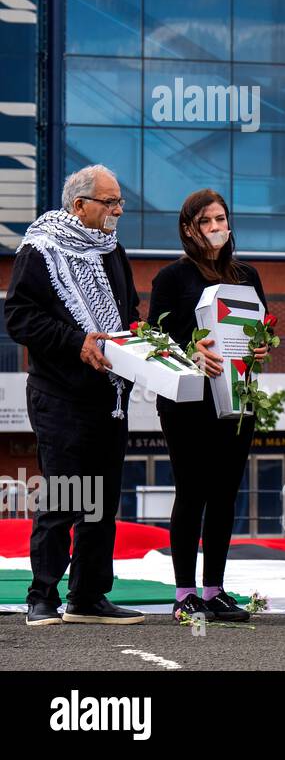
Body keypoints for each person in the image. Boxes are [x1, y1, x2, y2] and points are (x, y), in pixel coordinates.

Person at [9, 165, 143, 627]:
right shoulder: (40, 248)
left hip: (109, 394)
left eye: (119, 201)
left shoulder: (113, 251)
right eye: (110, 202)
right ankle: (42, 594)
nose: (118, 210)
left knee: (101, 501)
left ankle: (87, 595)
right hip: (59, 393)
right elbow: (19, 317)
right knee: (65, 494)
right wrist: (76, 341)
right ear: (80, 204)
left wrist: (139, 336)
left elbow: (129, 310)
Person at [149, 189, 268, 624]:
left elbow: (261, 330)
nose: (217, 227)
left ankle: (215, 590)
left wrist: (259, 350)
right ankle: (185, 594)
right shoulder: (172, 277)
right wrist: (191, 352)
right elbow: (155, 339)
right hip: (188, 402)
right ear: (189, 229)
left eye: (221, 218)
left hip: (238, 396)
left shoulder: (247, 275)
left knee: (224, 494)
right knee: (193, 490)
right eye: (206, 221)